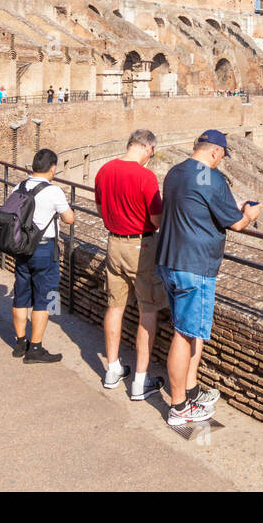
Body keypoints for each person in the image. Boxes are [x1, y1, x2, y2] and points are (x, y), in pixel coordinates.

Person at [156, 129, 261, 425]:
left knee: (193, 329)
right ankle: (178, 407)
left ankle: (190, 391)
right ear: (215, 152)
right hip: (195, 267)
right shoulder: (212, 178)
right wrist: (250, 214)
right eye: (221, 157)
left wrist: (232, 209)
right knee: (184, 333)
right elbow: (238, 224)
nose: (220, 162)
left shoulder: (174, 172)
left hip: (169, 260)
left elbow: (196, 207)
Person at [94, 129, 167, 398]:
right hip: (142, 247)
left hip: (114, 244)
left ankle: (112, 369)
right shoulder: (145, 176)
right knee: (148, 309)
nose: (150, 157)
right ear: (147, 148)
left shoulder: (104, 170)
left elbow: (101, 211)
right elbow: (158, 220)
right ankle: (140, 381)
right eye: (152, 152)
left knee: (115, 306)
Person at [11, 149, 74, 363]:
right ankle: (35, 348)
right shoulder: (53, 191)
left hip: (20, 248)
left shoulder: (18, 187)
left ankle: (20, 343)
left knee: (20, 295)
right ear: (53, 168)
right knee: (46, 297)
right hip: (44, 249)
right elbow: (69, 219)